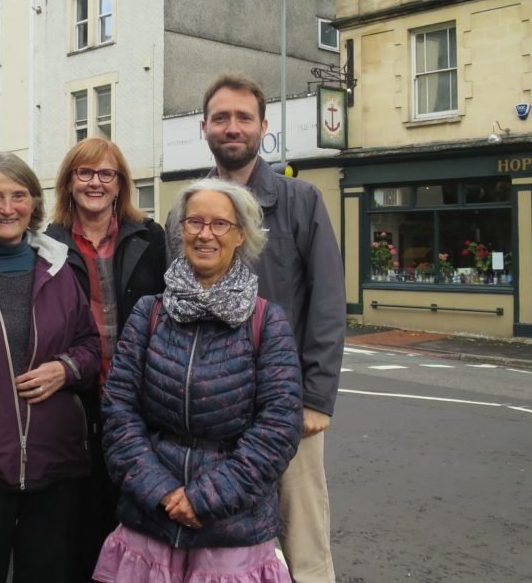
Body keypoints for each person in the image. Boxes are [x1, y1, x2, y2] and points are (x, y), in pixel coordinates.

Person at [96, 178, 302, 583]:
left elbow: (278, 428)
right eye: (195, 222)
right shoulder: (148, 312)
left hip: (233, 525)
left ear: (240, 234)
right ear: (181, 230)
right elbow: (118, 409)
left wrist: (205, 499)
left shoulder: (267, 321)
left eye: (220, 224)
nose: (205, 234)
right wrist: (160, 491)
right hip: (151, 517)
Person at [184, 72, 346, 583]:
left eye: (243, 117)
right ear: (204, 127)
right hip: (212, 407)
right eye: (222, 117)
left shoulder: (301, 200)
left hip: (286, 405)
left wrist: (316, 398)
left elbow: (326, 301)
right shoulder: (188, 208)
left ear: (263, 127)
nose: (233, 127)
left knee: (303, 540)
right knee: (224, 542)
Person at [0, 152, 101, 583]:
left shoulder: (59, 267)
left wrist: (64, 369)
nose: (8, 208)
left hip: (55, 460)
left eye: (19, 196)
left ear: (33, 203)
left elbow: (89, 345)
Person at [45, 137, 167, 581]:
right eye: (85, 173)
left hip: (140, 402)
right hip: (75, 401)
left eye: (106, 174)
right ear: (69, 182)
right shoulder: (46, 244)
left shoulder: (150, 238)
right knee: (77, 522)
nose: (95, 182)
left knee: (134, 520)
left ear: (120, 185)